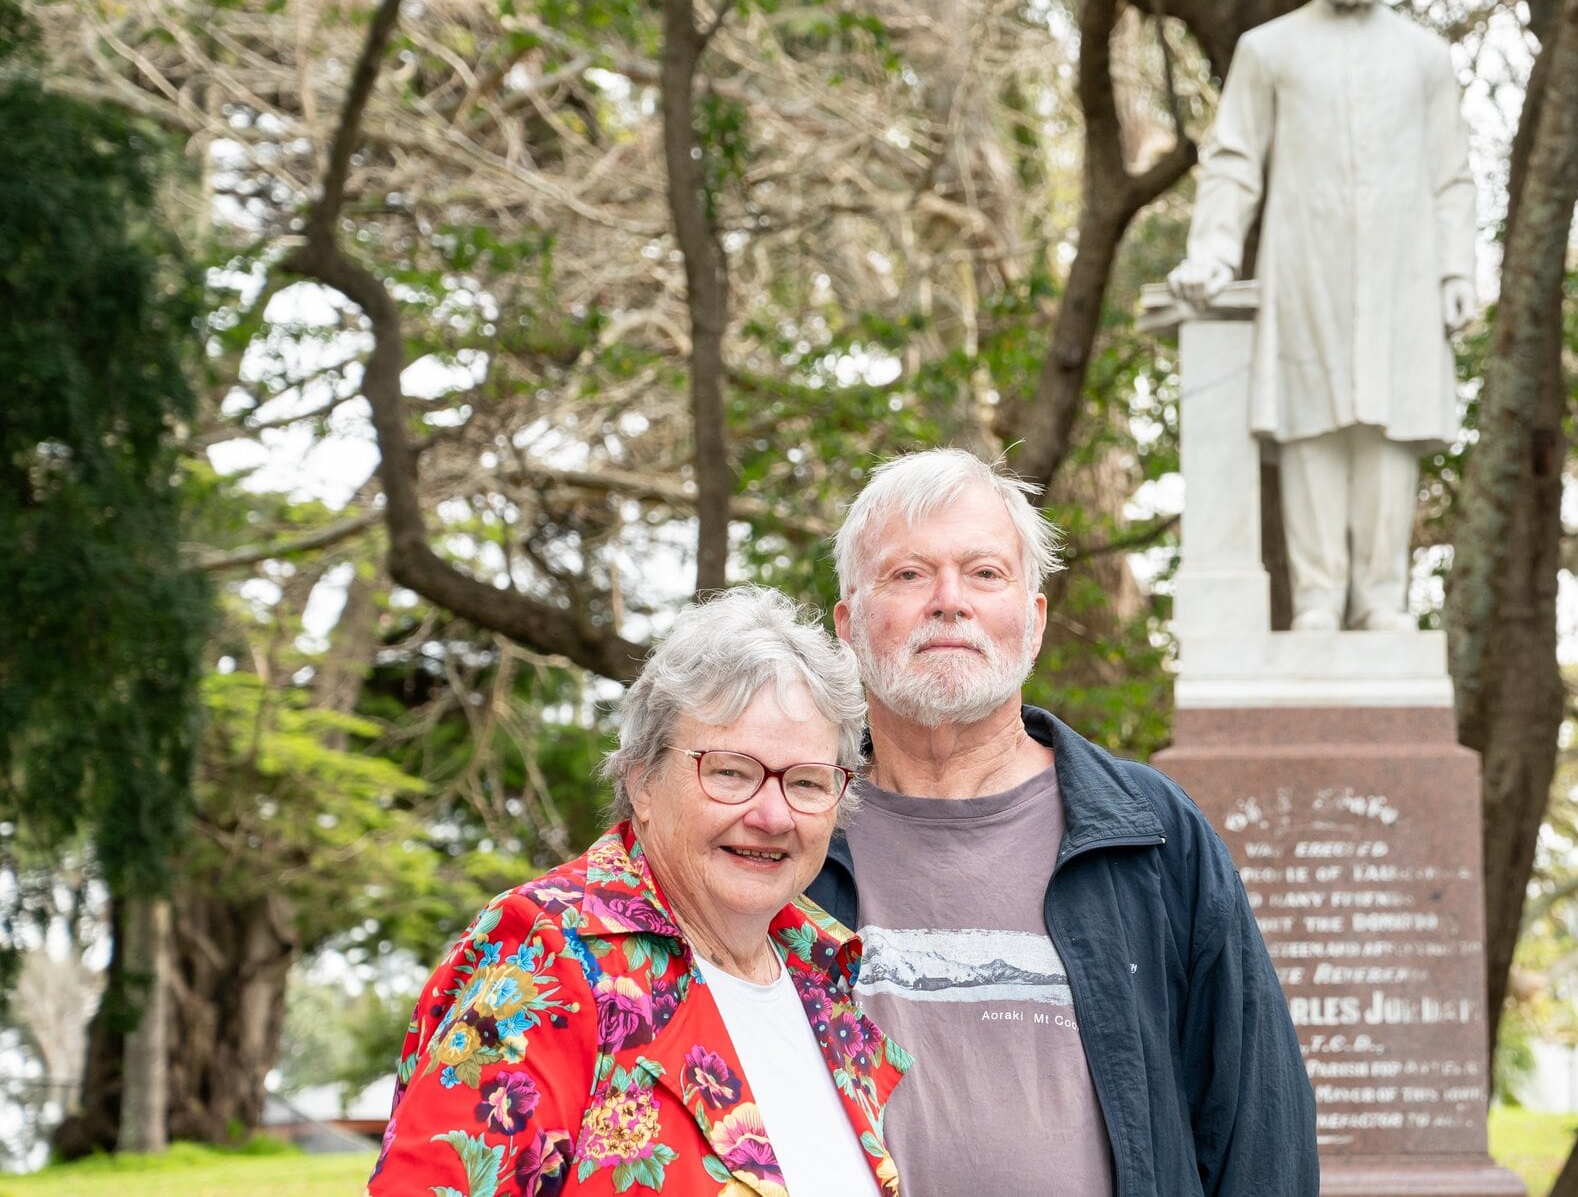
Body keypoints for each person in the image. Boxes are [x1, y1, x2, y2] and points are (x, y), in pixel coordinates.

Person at [809, 449, 1316, 1196]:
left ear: (1034, 620)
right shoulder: (791, 832)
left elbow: (1257, 1128)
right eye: (909, 574)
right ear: (849, 624)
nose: (950, 600)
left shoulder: (1151, 834)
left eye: (985, 573)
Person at [371, 587, 905, 1197]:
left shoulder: (822, 969)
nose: (773, 815)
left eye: (807, 782)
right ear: (642, 781)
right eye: (731, 772)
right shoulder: (549, 956)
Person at [1168, 0, 1477, 632]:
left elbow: (1451, 175)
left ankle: (1381, 597)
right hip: (1303, 265)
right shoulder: (1269, 50)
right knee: (1312, 424)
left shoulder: (1425, 56)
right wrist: (1211, 251)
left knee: (1388, 427)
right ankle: (1314, 596)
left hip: (1402, 272)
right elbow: (1236, 158)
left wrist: (1456, 270)